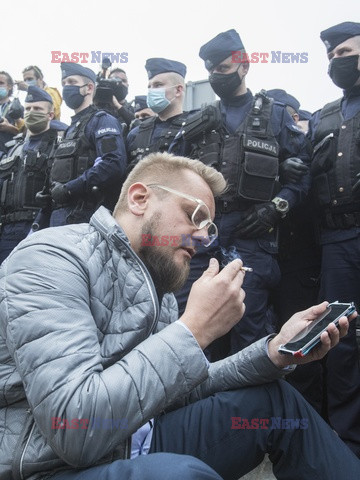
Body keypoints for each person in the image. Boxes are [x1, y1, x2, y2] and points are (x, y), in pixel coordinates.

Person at [0, 151, 359, 480]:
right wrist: (194, 329)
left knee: (275, 402)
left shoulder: (157, 286)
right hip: (52, 466)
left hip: (135, 438)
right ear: (140, 199)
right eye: (195, 216)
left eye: (210, 228)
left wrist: (272, 353)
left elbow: (178, 389)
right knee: (176, 475)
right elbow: (74, 428)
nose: (204, 238)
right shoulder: (51, 258)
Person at [173, 30, 311, 359]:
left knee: (250, 331)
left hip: (254, 236)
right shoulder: (198, 122)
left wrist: (277, 208)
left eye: (223, 69)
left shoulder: (277, 115)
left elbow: (303, 175)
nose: (216, 76)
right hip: (204, 236)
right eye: (211, 71)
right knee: (191, 327)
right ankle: (195, 408)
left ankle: (245, 409)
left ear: (244, 66)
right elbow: (173, 176)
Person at [307, 21, 360, 457]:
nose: (336, 62)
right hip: (337, 238)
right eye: (331, 56)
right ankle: (347, 441)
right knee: (341, 339)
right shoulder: (322, 116)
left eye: (345, 52)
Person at [266, 89, 322, 414]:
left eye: (287, 118)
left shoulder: (308, 144)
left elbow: (311, 188)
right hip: (265, 257)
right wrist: (276, 171)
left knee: (302, 339)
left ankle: (306, 417)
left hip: (299, 258)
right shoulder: (265, 149)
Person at [48, 62, 127, 227]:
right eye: (64, 84)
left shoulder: (101, 120)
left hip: (84, 216)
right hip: (60, 215)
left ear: (89, 88)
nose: (66, 87)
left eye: (72, 82)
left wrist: (70, 188)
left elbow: (113, 163)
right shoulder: (70, 128)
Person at [0, 86, 60, 262]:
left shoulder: (58, 145)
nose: (31, 112)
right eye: (28, 109)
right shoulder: (13, 148)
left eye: (38, 109)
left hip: (39, 228)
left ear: (50, 115)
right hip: (7, 230)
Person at [126, 58, 189, 170]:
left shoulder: (194, 127)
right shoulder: (136, 133)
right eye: (149, 87)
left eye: (158, 85)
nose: (151, 91)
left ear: (178, 90)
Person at [0, 70, 24, 157]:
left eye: (1, 83)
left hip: (8, 157)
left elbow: (28, 134)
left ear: (9, 86)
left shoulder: (18, 109)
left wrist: (10, 129)